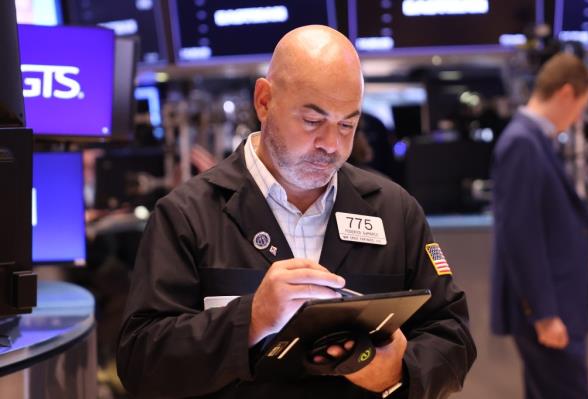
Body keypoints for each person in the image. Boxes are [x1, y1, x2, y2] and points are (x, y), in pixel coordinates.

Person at [117, 25, 476, 398]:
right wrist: (251, 319)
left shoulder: (394, 212)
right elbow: (142, 362)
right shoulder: (186, 216)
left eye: (347, 124)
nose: (331, 145)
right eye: (312, 121)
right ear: (264, 102)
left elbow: (452, 334)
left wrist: (403, 371)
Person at [491, 52, 588, 399]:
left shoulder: (534, 141)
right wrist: (544, 314)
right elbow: (520, 235)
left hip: (559, 304)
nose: (579, 115)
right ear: (567, 93)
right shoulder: (522, 143)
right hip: (550, 309)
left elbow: (546, 217)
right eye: (583, 104)